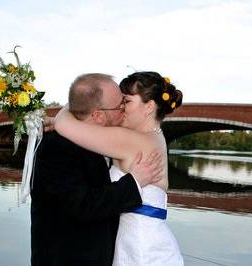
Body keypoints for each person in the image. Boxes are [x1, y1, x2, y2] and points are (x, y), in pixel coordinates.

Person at [31, 73, 164, 266]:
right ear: (97, 115)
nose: (123, 109)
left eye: (125, 102)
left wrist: (61, 118)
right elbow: (83, 206)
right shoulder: (57, 147)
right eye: (119, 105)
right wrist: (133, 183)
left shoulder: (102, 138)